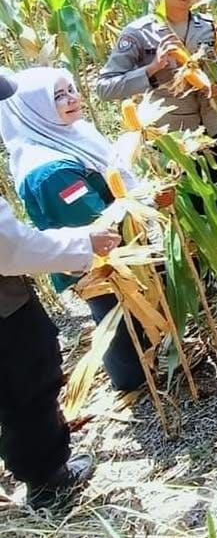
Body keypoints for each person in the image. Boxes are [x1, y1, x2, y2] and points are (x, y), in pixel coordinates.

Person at [0, 73, 122, 511]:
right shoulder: (48, 170)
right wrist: (83, 245)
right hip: (6, 305)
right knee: (27, 380)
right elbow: (8, 247)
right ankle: (46, 481)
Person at [0, 67, 153, 392]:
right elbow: (88, 220)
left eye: (71, 89)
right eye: (59, 96)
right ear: (33, 109)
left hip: (110, 249)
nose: (73, 98)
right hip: (95, 263)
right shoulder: (47, 170)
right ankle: (131, 377)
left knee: (133, 312)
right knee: (113, 315)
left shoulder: (71, 133)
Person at [97, 0, 217, 264]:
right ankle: (201, 258)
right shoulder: (138, 34)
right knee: (190, 198)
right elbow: (106, 87)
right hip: (173, 134)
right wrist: (152, 68)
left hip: (213, 122)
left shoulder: (208, 26)